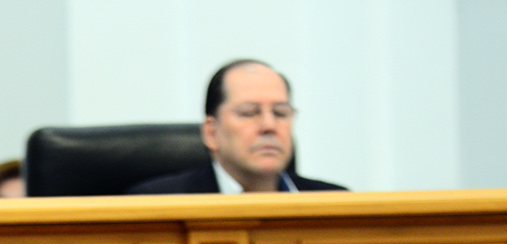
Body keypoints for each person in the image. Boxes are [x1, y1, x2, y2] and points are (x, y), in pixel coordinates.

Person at [129, 59, 346, 195]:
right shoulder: (157, 204)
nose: (269, 125)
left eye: (280, 113)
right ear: (211, 133)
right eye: (249, 113)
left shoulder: (336, 205)